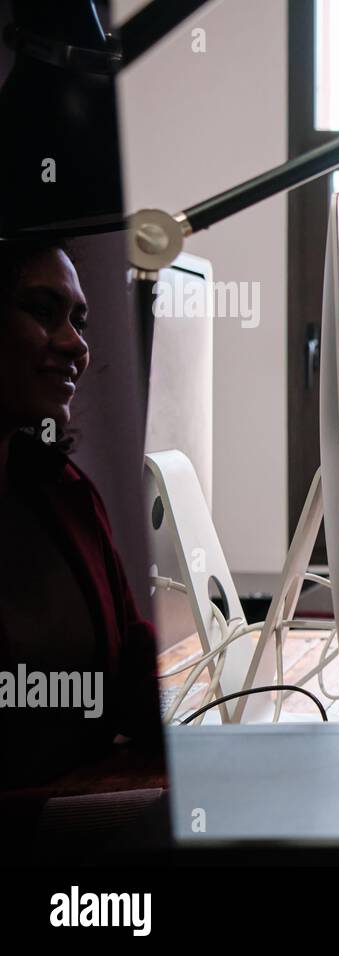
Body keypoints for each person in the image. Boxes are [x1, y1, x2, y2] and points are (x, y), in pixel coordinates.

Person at [0, 239, 161, 792]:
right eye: (44, 312)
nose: (77, 345)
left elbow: (133, 679)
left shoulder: (64, 491)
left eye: (80, 320)